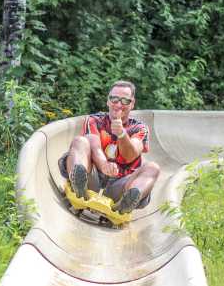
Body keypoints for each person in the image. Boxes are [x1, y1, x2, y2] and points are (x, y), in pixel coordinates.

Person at [58, 80, 160, 214]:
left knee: (153, 168)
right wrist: (104, 164)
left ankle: (124, 204)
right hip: (93, 176)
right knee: (79, 141)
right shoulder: (94, 120)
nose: (118, 104)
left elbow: (130, 155)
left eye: (125, 101)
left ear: (132, 104)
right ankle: (79, 186)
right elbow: (94, 146)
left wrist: (122, 134)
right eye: (114, 99)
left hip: (120, 183)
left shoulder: (140, 128)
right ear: (108, 101)